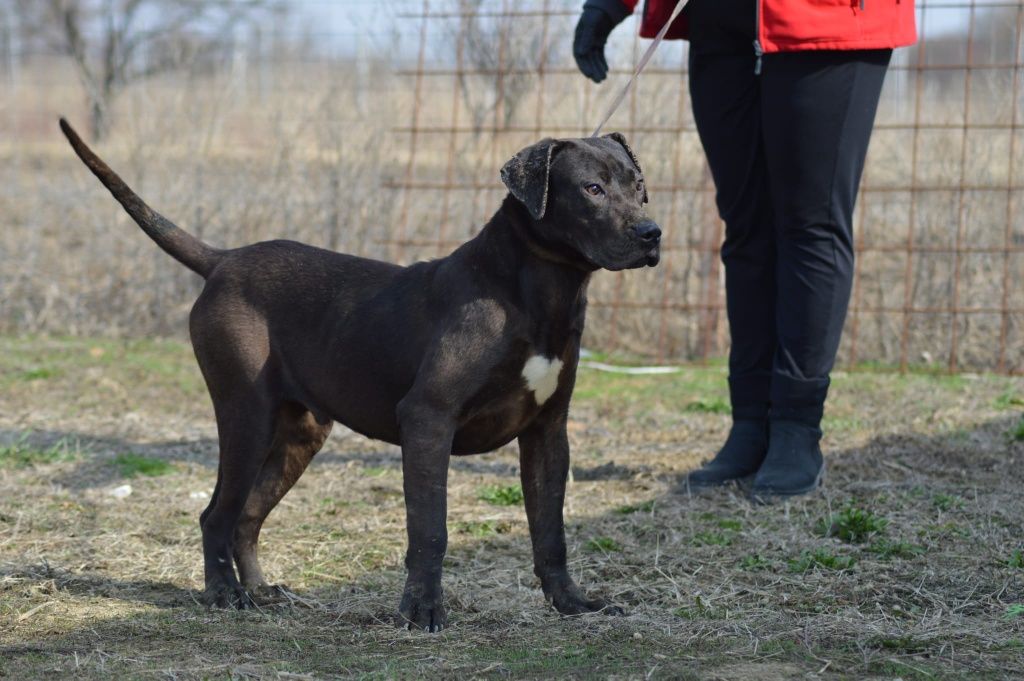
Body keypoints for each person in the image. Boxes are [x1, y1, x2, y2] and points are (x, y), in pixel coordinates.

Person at [573, 0, 916, 498]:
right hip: (720, 21)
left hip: (828, 18)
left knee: (810, 225)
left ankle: (798, 427)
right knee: (746, 229)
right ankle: (751, 422)